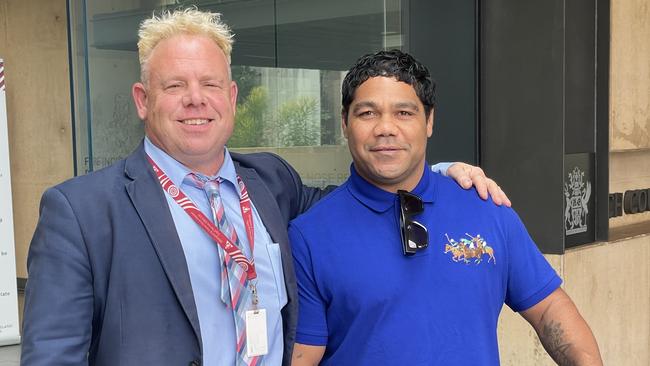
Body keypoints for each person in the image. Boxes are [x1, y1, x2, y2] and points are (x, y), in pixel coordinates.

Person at [20, 9, 509, 366]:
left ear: (231, 98)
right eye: (175, 86)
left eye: (210, 85)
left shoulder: (274, 183)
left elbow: (361, 203)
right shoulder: (81, 212)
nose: (196, 100)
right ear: (143, 100)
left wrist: (436, 173)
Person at [289, 50, 603, 365]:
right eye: (367, 113)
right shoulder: (310, 236)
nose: (385, 128)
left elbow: (549, 309)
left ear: (429, 121)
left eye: (404, 113)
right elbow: (303, 358)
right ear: (345, 123)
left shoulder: (487, 208)